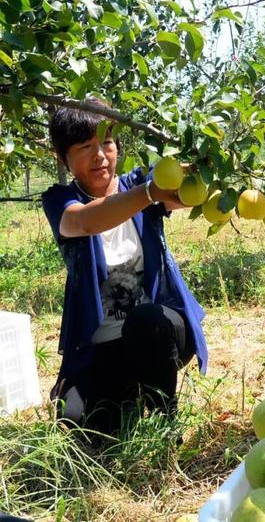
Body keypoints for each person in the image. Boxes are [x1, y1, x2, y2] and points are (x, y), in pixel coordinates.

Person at [42, 98, 207, 438]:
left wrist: (203, 168)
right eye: (85, 146)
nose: (100, 155)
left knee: (146, 322)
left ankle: (165, 417)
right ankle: (123, 393)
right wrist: (149, 193)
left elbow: (182, 195)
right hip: (103, 345)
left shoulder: (140, 181)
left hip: (160, 332)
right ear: (63, 158)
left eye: (106, 142)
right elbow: (85, 222)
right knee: (83, 425)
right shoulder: (60, 201)